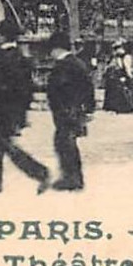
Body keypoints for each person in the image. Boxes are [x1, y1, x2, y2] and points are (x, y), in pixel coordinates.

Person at [0, 24, 50, 194]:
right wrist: (21, 112)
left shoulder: (3, 59)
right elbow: (27, 88)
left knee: (6, 147)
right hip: (12, 111)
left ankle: (41, 173)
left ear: (2, 37)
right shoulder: (21, 58)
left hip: (2, 111)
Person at [45, 32, 94, 192]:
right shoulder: (76, 63)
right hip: (71, 110)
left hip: (68, 110)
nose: (50, 53)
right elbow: (89, 87)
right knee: (64, 142)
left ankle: (73, 179)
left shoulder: (66, 65)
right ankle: (71, 177)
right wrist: (89, 108)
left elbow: (61, 87)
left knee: (66, 143)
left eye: (51, 49)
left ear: (56, 49)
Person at [101, 42, 133, 114]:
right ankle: (120, 107)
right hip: (116, 78)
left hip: (118, 77)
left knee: (123, 91)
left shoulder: (122, 57)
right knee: (121, 91)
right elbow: (125, 69)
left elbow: (126, 68)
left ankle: (121, 107)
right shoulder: (119, 57)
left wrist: (129, 75)